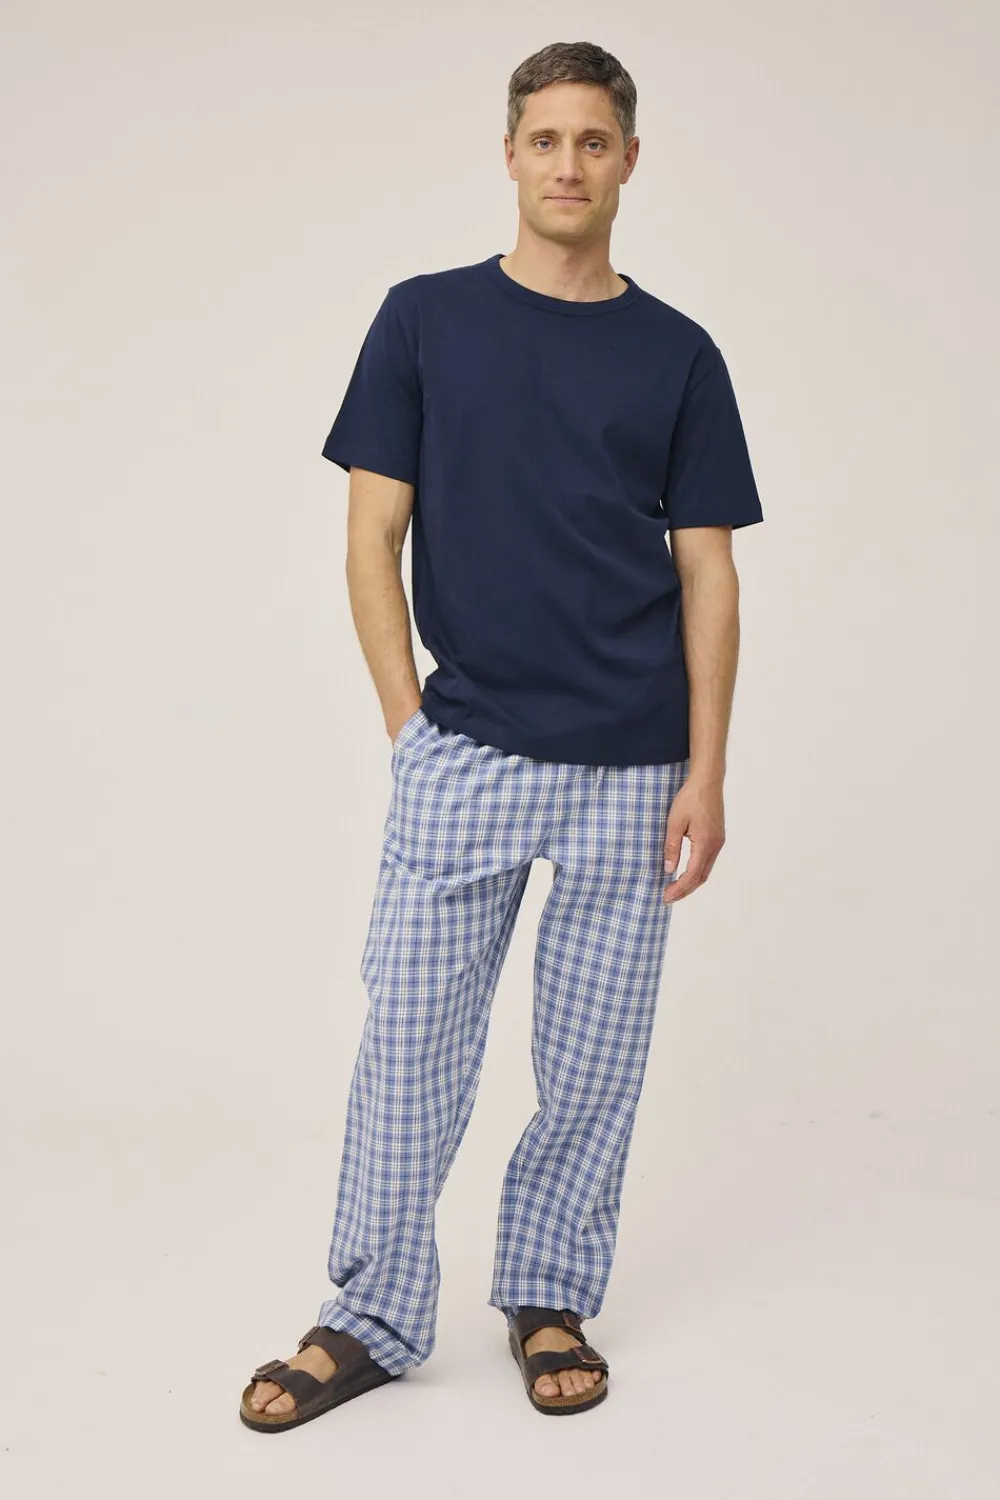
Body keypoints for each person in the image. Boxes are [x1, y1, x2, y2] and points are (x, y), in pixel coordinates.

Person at [240, 38, 763, 1432]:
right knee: (409, 1052)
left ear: (630, 160)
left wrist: (709, 770)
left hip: (635, 766)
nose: (568, 165)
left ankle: (547, 1296)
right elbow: (371, 537)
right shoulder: (424, 320)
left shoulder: (679, 354)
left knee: (592, 1069)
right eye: (546, 139)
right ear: (511, 154)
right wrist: (407, 726)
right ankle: (370, 1315)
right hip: (465, 750)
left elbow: (709, 571)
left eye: (594, 142)